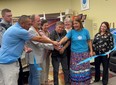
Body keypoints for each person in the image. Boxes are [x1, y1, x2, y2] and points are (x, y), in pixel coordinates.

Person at [0, 15, 58, 85]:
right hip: (10, 62)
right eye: (29, 24)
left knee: (4, 82)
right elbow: (39, 40)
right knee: (13, 82)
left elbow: (15, 42)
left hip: (5, 60)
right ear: (22, 23)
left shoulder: (14, 28)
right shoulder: (21, 31)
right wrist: (53, 42)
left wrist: (25, 48)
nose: (30, 26)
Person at [59, 19, 93, 85]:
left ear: (80, 23)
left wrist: (91, 51)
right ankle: (76, 83)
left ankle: (85, 82)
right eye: (73, 24)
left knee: (84, 69)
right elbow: (65, 38)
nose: (75, 25)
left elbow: (89, 41)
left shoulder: (85, 31)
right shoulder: (71, 32)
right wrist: (59, 43)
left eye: (76, 23)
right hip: (75, 54)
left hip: (84, 53)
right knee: (76, 69)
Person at [26, 15, 54, 85]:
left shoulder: (37, 30)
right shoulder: (31, 31)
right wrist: (53, 45)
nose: (40, 22)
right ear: (32, 22)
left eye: (40, 20)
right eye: (38, 21)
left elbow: (44, 40)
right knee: (36, 76)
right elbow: (39, 43)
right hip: (34, 59)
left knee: (33, 76)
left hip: (38, 58)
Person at [40, 20, 52, 84]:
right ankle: (42, 81)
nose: (47, 26)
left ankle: (46, 79)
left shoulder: (48, 32)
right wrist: (53, 43)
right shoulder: (40, 32)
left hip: (48, 52)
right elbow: (45, 40)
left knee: (47, 66)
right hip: (42, 53)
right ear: (41, 26)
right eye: (45, 25)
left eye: (47, 25)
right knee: (42, 67)